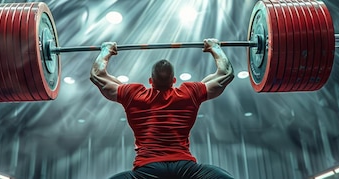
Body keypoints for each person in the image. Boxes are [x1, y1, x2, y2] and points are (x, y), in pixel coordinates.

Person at [91, 39, 235, 179]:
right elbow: (226, 73)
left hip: (147, 170)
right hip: (184, 168)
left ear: (150, 81)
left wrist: (106, 50)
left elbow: (97, 75)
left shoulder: (133, 95)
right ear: (174, 80)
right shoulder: (189, 94)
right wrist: (214, 48)